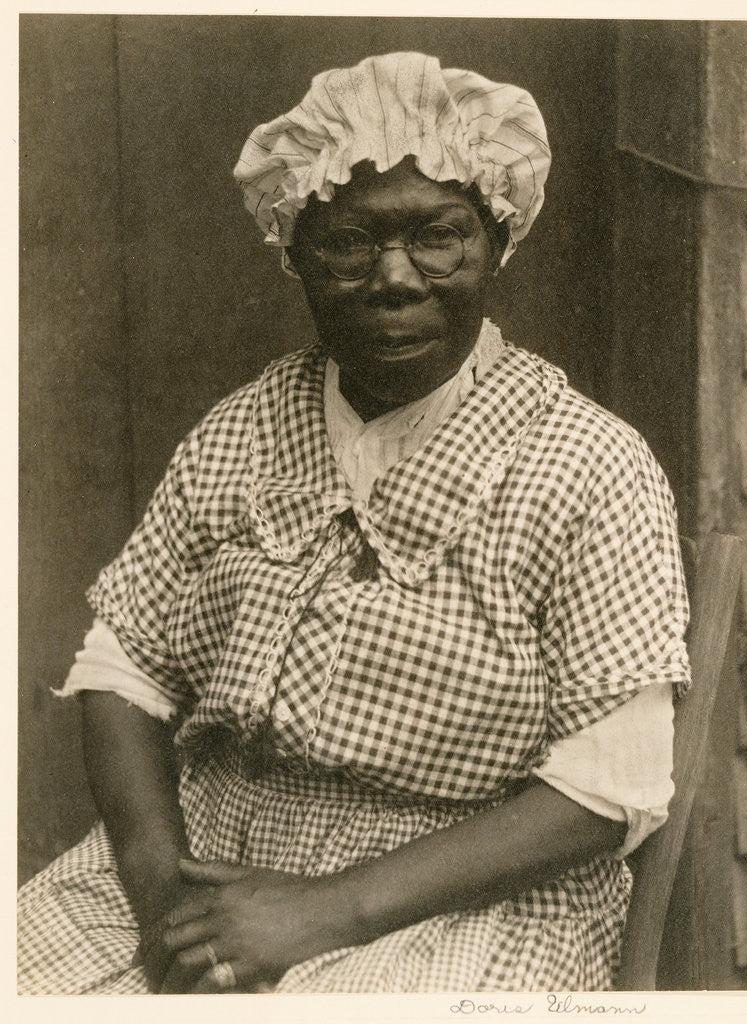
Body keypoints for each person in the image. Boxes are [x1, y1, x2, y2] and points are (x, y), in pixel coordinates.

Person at [17, 52, 690, 994]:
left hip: (462, 890)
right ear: (292, 250)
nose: (395, 279)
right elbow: (122, 670)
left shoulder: (585, 464)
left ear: (496, 240)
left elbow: (606, 790)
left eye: (438, 237)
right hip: (208, 855)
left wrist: (316, 911)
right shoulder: (250, 425)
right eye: (348, 244)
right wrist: (169, 899)